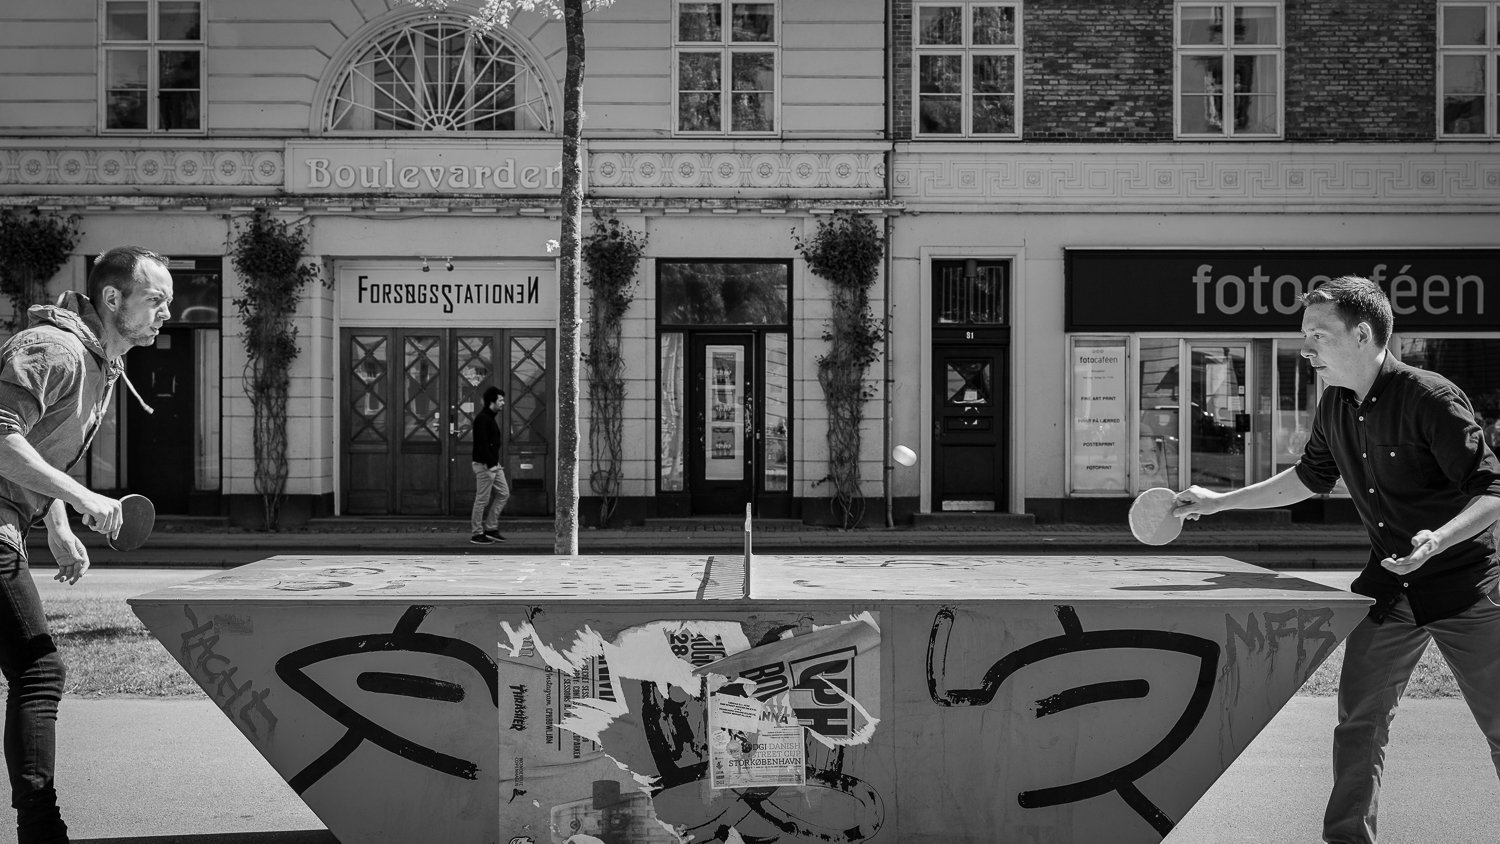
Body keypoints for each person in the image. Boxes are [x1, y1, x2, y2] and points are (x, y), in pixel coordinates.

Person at [1172, 275, 1500, 844]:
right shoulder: (1333, 406)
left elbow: (1492, 490)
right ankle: (1347, 839)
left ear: (1364, 334)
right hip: (1390, 588)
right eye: (1304, 335)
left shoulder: (1430, 398)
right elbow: (1306, 479)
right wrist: (1218, 502)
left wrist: (1439, 539)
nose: (1306, 350)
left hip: (1466, 587)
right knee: (1358, 725)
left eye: (1318, 335)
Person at [0, 246, 173, 843]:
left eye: (168, 303)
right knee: (39, 670)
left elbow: (37, 446)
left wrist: (54, 524)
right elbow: (0, 439)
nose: (164, 313)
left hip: (10, 525)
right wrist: (82, 499)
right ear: (111, 298)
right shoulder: (54, 349)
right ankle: (42, 830)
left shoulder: (99, 361)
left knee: (34, 670)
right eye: (155, 300)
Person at [470, 386, 509, 544]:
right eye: (500, 400)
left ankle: (491, 528)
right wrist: (491, 465)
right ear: (492, 402)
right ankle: (477, 533)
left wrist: (495, 464)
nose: (503, 403)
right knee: (482, 500)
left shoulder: (490, 417)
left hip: (493, 464)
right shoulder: (482, 419)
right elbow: (482, 444)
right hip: (485, 465)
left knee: (504, 493)